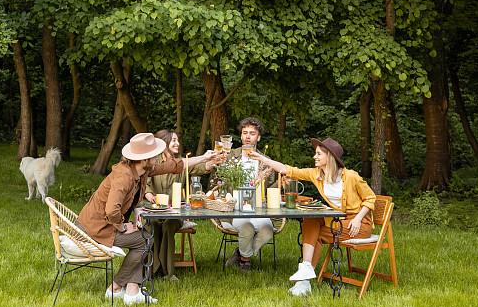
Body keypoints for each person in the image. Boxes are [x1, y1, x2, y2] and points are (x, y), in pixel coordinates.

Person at [76, 132, 218, 305]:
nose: (159, 156)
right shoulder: (124, 176)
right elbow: (112, 210)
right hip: (95, 228)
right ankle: (116, 287)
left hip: (102, 224)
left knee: (143, 238)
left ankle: (130, 290)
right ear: (145, 158)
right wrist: (122, 227)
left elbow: (173, 166)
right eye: (156, 154)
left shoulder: (141, 170)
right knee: (143, 241)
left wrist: (204, 157)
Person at [252, 137, 375, 296]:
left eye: (318, 154)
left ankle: (304, 280)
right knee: (311, 218)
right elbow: (288, 170)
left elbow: (371, 198)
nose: (314, 157)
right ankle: (306, 271)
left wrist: (358, 219)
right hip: (340, 220)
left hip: (359, 224)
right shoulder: (317, 174)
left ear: (329, 157)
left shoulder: (351, 176)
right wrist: (262, 158)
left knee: (315, 235)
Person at [143, 129, 217, 282]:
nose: (177, 143)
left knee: (168, 225)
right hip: (154, 210)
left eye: (177, 140)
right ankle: (152, 269)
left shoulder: (182, 163)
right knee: (154, 224)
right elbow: (145, 184)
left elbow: (202, 168)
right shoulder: (153, 162)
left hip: (176, 213)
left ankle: (168, 273)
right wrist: (149, 195)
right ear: (164, 143)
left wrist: (213, 161)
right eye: (174, 140)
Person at [222, 117, 277, 272]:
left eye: (252, 133)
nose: (247, 136)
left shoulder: (265, 160)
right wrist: (255, 181)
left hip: (257, 209)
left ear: (258, 137)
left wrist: (281, 183)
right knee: (247, 228)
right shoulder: (230, 156)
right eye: (245, 133)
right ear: (240, 136)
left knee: (267, 231)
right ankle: (245, 260)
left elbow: (271, 188)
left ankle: (240, 253)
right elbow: (225, 184)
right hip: (235, 209)